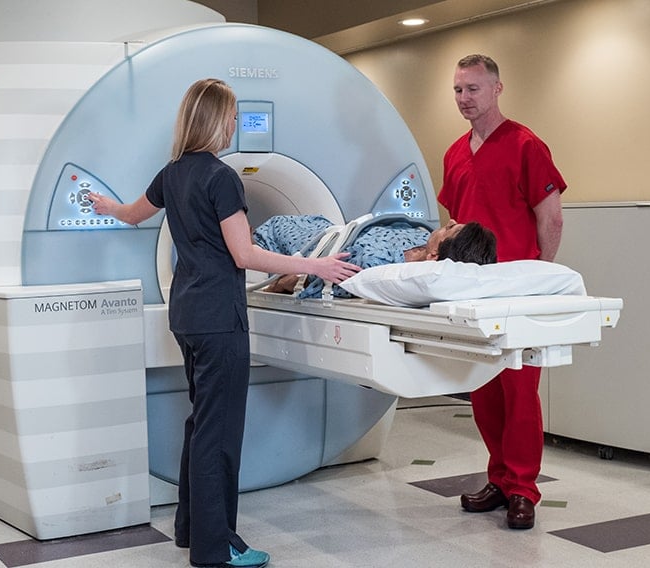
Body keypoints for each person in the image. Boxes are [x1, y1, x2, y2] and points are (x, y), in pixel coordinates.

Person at [89, 78, 360, 568]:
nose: (236, 124)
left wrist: (105, 206)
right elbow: (245, 253)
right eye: (232, 116)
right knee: (219, 432)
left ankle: (192, 529)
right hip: (219, 318)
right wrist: (314, 265)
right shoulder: (221, 177)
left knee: (201, 423)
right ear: (217, 119)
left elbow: (131, 216)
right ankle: (217, 549)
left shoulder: (171, 173)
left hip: (188, 317)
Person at [438, 54, 566, 530]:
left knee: (519, 391)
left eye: (473, 89)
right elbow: (450, 224)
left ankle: (524, 490)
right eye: (457, 90)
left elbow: (550, 216)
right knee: (483, 390)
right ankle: (499, 477)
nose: (464, 98)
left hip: (516, 290)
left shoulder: (526, 145)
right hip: (472, 290)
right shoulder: (454, 153)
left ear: (497, 89)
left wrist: (539, 278)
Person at [252, 215, 496, 296]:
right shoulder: (420, 237)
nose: (450, 220)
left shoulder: (378, 268)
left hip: (304, 243)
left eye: (451, 229)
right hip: (328, 228)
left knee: (267, 230)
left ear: (434, 256)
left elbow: (315, 283)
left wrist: (280, 285)